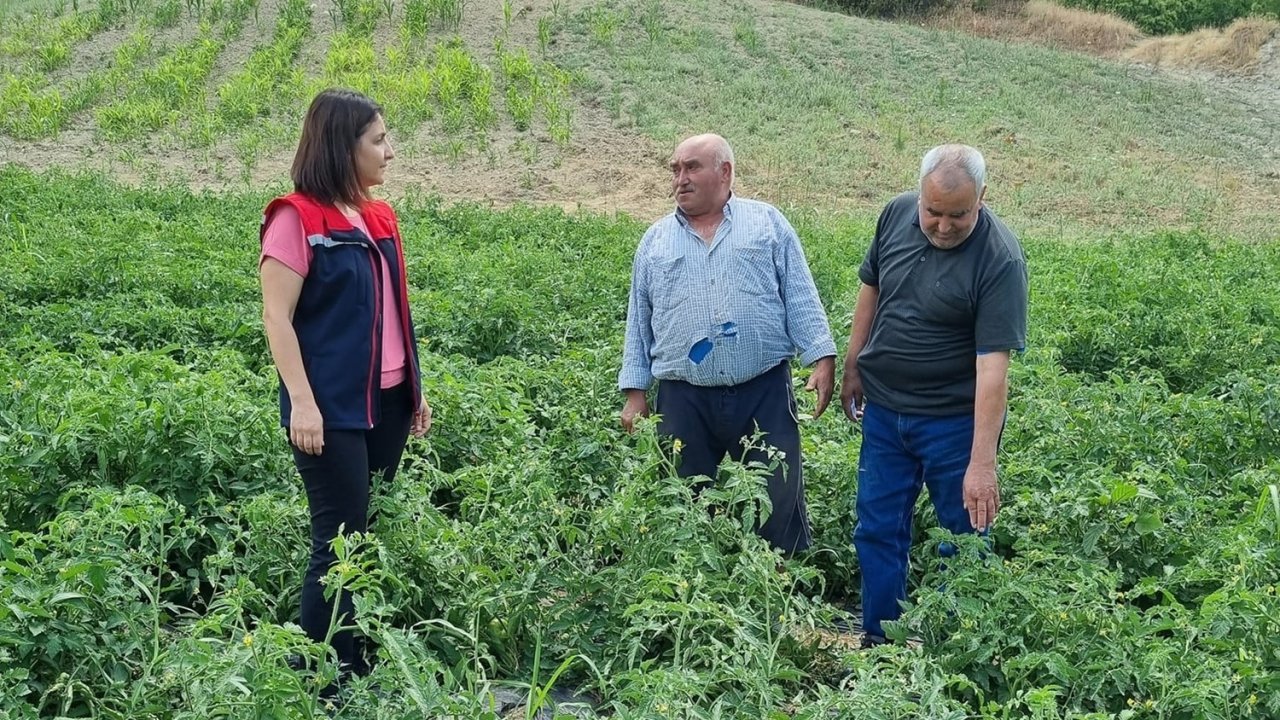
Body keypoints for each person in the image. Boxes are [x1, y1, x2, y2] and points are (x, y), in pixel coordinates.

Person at [259, 88, 432, 677]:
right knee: (337, 540)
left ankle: (353, 654)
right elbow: (276, 318)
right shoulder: (297, 217)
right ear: (342, 146)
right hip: (329, 408)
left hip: (385, 400)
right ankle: (322, 675)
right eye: (379, 140)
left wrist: (414, 388)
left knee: (364, 534)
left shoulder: (379, 215)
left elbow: (393, 308)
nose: (390, 152)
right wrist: (302, 405)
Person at [839, 144, 1028, 646]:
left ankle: (951, 656)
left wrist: (982, 463)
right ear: (919, 195)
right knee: (877, 528)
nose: (943, 226)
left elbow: (993, 369)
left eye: (958, 215)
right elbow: (871, 287)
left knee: (963, 540)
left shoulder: (1000, 259)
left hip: (952, 423)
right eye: (933, 212)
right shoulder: (896, 213)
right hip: (885, 414)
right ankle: (880, 645)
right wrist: (854, 364)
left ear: (983, 198)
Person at [619, 133, 837, 555]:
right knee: (682, 500)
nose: (680, 179)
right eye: (675, 169)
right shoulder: (655, 241)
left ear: (725, 172)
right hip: (684, 397)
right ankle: (693, 586)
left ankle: (778, 585)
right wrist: (634, 393)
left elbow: (800, 294)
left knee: (776, 493)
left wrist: (821, 357)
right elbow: (638, 321)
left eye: (691, 168)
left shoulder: (767, 223)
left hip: (764, 389)